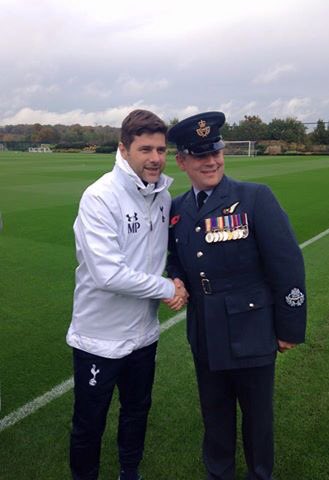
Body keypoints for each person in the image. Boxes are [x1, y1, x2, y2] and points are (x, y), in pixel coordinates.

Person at [166, 111, 306, 480]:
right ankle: (219, 474)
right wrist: (176, 279)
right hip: (205, 333)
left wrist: (289, 326)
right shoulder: (177, 209)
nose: (211, 161)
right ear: (182, 161)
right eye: (200, 155)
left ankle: (260, 475)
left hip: (252, 330)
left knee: (258, 420)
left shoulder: (255, 198)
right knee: (215, 416)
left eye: (216, 152)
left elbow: (287, 264)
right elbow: (174, 258)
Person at [66, 109, 188, 480]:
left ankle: (129, 471)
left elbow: (164, 254)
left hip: (143, 335)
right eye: (145, 149)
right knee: (89, 423)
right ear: (124, 149)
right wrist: (168, 287)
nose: (155, 159)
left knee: (137, 411)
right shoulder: (100, 197)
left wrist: (178, 277)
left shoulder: (163, 196)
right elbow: (108, 273)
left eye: (162, 150)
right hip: (98, 338)